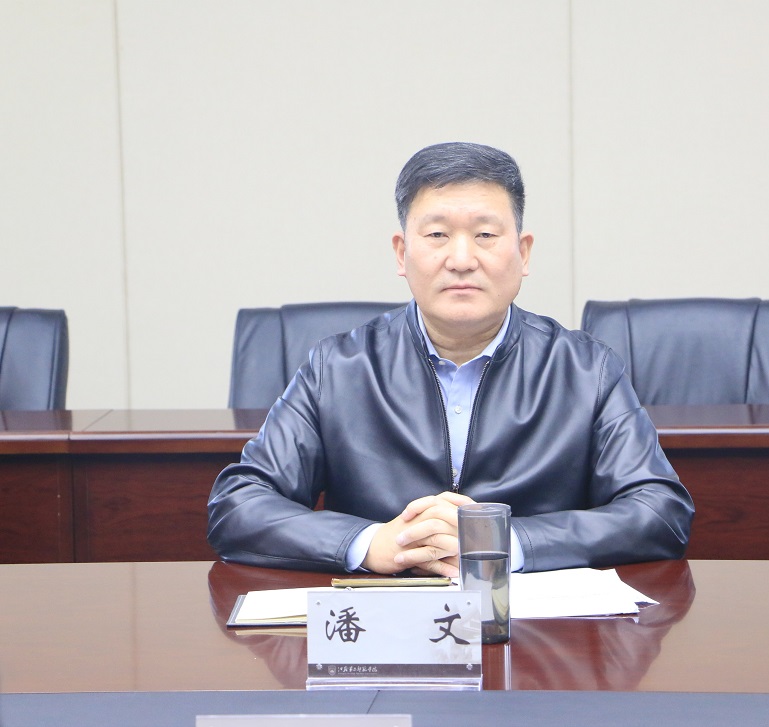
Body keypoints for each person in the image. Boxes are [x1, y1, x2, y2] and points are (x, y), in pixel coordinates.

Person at [207, 141, 694, 577]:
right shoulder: (338, 369)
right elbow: (239, 505)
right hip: (385, 626)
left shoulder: (585, 370)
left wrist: (503, 543)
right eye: (437, 235)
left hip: (535, 631)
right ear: (402, 253)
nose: (461, 259)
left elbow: (659, 510)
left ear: (523, 253)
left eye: (485, 235)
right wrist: (371, 543)